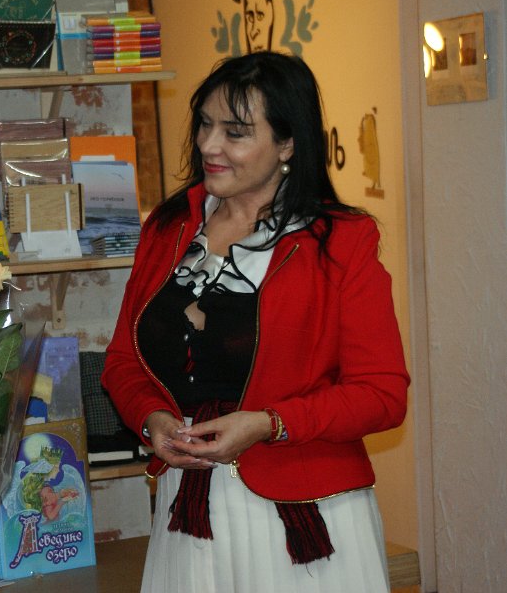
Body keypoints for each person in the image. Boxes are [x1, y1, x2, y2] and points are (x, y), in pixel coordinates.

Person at [102, 51, 409, 593]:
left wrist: (270, 423)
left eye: (236, 132)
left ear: (288, 143)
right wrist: (152, 418)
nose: (209, 145)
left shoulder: (342, 242)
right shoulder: (169, 227)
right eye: (205, 124)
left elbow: (382, 394)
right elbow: (124, 360)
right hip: (188, 511)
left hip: (303, 519)